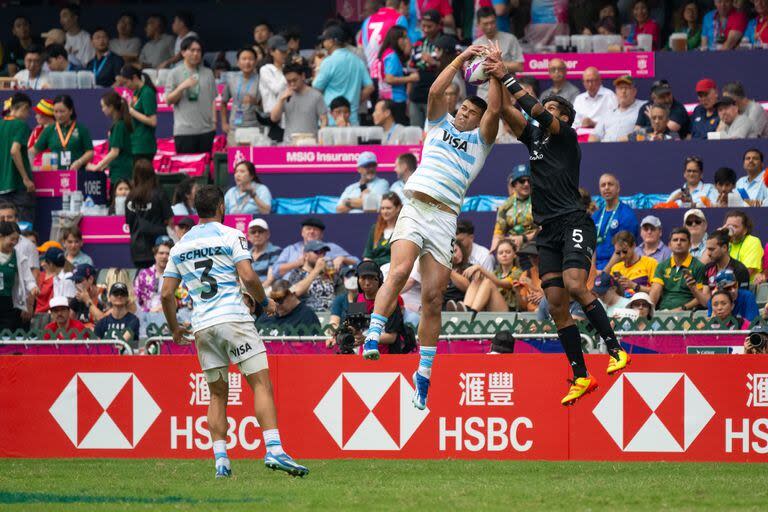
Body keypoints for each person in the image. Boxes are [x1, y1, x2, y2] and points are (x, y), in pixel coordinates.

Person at [362, 42, 501, 414]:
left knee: (432, 300)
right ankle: (373, 333)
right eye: (464, 107)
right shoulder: (438, 125)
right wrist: (462, 57)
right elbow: (437, 90)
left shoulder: (480, 144)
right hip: (415, 207)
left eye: (472, 111)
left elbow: (496, 111)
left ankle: (423, 374)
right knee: (401, 270)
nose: (465, 112)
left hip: (443, 219)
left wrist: (496, 74)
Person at [491, 57, 632, 405]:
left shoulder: (566, 136)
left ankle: (616, 350)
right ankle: (582, 376)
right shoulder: (533, 140)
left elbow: (536, 111)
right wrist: (493, 77)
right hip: (548, 231)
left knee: (573, 285)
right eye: (547, 105)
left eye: (553, 107)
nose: (546, 110)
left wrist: (507, 74)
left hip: (573, 220)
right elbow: (505, 112)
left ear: (564, 117)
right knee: (556, 305)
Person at [160, 185, 307, 476]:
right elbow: (248, 275)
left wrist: (175, 328)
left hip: (202, 326)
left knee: (216, 395)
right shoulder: (230, 235)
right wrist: (264, 302)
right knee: (261, 384)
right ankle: (274, 450)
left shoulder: (180, 245)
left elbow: (166, 294)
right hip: (234, 319)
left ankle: (221, 461)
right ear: (221, 208)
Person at [165, 37, 217, 154]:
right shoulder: (174, 73)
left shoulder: (208, 73)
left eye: (199, 51)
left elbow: (212, 99)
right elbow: (168, 101)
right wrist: (182, 86)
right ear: (183, 52)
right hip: (184, 132)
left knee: (206, 169)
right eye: (192, 50)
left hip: (206, 131)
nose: (196, 54)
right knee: (186, 170)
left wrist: (214, 123)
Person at [314, 26, 375, 126]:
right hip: (352, 118)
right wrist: (354, 101)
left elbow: (316, 88)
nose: (323, 43)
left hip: (331, 119)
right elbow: (370, 87)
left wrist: (317, 67)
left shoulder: (328, 62)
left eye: (324, 40)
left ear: (332, 41)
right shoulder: (358, 61)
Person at [125, 159, 173, 268]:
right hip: (158, 249)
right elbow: (170, 220)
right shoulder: (159, 193)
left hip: (137, 249)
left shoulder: (130, 197)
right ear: (152, 174)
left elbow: (129, 222)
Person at [649, 227, 708, 311]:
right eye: (675, 240)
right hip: (664, 312)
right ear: (669, 245)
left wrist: (682, 308)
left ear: (690, 244)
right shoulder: (662, 266)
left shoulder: (699, 266)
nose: (679, 243)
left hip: (688, 313)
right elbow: (655, 291)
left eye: (683, 240)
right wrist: (650, 311)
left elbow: (702, 297)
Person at [30, 94, 94, 171]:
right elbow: (34, 151)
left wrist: (79, 162)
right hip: (55, 176)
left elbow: (90, 152)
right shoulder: (49, 130)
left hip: (77, 174)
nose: (59, 115)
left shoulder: (81, 129)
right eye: (56, 111)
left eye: (62, 111)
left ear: (71, 111)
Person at [472, 7, 524, 100]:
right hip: (484, 93)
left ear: (496, 21)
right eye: (485, 24)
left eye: (492, 22)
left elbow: (520, 66)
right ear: (479, 24)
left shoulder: (510, 39)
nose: (489, 26)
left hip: (508, 91)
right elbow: (470, 73)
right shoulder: (476, 44)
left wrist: (496, 64)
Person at [271, 62, 327, 144]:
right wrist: (281, 100)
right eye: (289, 81)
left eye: (295, 80)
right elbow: (274, 118)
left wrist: (321, 140)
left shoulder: (316, 95)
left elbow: (324, 119)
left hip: (310, 143)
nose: (292, 84)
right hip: (289, 143)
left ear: (303, 76)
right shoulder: (284, 95)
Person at [0, 94, 36, 222]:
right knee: (24, 227)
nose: (28, 116)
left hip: (2, 187)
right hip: (18, 186)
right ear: (25, 108)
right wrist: (25, 178)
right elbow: (14, 151)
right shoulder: (21, 125)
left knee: (4, 229)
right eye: (28, 112)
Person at [592, 173, 639, 271]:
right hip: (595, 268)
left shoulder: (626, 215)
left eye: (610, 184)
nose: (606, 188)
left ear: (618, 188)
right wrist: (593, 270)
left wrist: (605, 272)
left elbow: (623, 249)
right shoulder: (596, 216)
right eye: (603, 185)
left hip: (617, 267)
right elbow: (591, 245)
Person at [462, 238, 523, 312]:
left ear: (514, 255)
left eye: (508, 252)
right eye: (501, 253)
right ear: (497, 256)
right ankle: (466, 309)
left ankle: (472, 313)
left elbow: (501, 283)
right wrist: (480, 275)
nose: (504, 255)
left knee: (488, 282)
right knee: (477, 280)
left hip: (509, 312)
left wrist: (480, 268)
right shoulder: (496, 273)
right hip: (492, 307)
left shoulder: (518, 272)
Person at [409, 9, 443, 128]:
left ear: (439, 25)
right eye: (423, 26)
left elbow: (456, 68)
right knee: (416, 133)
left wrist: (434, 62)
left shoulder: (447, 42)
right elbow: (412, 71)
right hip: (416, 97)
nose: (426, 29)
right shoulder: (418, 43)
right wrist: (409, 97)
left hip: (436, 97)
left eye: (430, 26)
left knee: (434, 132)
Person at [377, 26, 418, 125]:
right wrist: (411, 78)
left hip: (387, 96)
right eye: (404, 38)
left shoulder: (387, 53)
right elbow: (389, 79)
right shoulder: (392, 56)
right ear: (396, 39)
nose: (406, 41)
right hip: (395, 99)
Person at [89, 91, 133, 182]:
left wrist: (97, 166)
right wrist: (103, 166)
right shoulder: (119, 125)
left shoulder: (119, 126)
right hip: (120, 171)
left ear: (111, 107)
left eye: (103, 106)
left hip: (121, 174)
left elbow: (114, 152)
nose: (102, 109)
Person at [492, 165, 536, 252]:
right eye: (522, 181)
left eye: (529, 181)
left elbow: (543, 228)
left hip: (535, 246)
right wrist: (495, 246)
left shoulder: (539, 202)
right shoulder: (505, 206)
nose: (526, 184)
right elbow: (499, 232)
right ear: (514, 184)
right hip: (513, 248)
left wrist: (524, 238)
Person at [0, 221, 35, 331]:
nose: (14, 243)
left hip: (8, 304)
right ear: (1, 236)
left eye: (17, 239)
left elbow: (29, 280)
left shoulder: (19, 257)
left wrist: (34, 288)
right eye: (12, 239)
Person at [588, 75, 643, 143]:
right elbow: (595, 135)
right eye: (620, 88)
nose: (623, 91)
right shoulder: (608, 113)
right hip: (605, 149)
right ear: (616, 92)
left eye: (627, 88)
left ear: (634, 91)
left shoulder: (643, 107)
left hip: (629, 149)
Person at [120, 66, 158, 164]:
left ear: (135, 78)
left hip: (144, 146)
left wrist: (132, 111)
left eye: (126, 82)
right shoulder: (137, 92)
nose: (125, 86)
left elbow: (153, 121)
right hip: (135, 144)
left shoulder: (147, 92)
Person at [286, 240, 336, 312]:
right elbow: (295, 292)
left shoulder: (329, 274)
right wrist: (316, 270)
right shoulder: (297, 273)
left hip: (333, 315)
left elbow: (344, 296)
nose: (322, 256)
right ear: (306, 255)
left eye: (324, 253)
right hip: (310, 315)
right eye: (317, 252)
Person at [256, 279, 321, 335]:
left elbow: (310, 347)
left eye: (280, 300)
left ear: (292, 295)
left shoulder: (306, 316)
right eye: (273, 300)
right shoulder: (267, 315)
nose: (276, 304)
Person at [609, 231, 658, 296]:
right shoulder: (615, 268)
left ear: (634, 246)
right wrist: (615, 286)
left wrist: (633, 285)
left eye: (625, 251)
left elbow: (657, 292)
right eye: (618, 253)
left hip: (641, 304)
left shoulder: (650, 263)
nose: (622, 256)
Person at [0, 202, 39, 280]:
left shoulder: (29, 245)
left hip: (19, 291)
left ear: (17, 220)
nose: (6, 220)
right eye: (2, 218)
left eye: (9, 217)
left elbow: (35, 272)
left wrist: (31, 289)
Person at [134, 236, 173, 313]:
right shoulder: (143, 275)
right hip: (147, 317)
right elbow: (135, 301)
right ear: (155, 254)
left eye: (168, 253)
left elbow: (184, 301)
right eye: (161, 253)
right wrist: (149, 311)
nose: (164, 256)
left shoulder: (176, 276)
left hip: (170, 317)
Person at [722, 210, 763, 282]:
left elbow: (745, 274)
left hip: (744, 288)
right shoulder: (723, 243)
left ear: (745, 230)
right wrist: (719, 236)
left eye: (735, 226)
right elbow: (704, 265)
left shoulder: (753, 241)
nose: (730, 229)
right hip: (722, 288)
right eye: (728, 226)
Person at [364, 192, 402, 267]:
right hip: (375, 272)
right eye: (382, 208)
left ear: (398, 208)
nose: (385, 211)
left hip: (394, 268)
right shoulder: (375, 228)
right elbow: (368, 257)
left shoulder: (403, 229)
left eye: (388, 208)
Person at [259, 36, 289, 132]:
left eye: (286, 51)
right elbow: (277, 89)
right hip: (272, 120)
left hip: (288, 119)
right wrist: (289, 71)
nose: (285, 54)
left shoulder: (287, 68)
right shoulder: (265, 69)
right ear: (271, 52)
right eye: (281, 52)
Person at [35, 246, 76, 314]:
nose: (43, 264)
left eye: (45, 262)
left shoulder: (68, 278)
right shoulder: (56, 278)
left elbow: (70, 307)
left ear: (50, 264)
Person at [247, 218, 280, 288]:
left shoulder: (276, 251)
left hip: (267, 291)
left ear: (268, 234)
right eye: (253, 232)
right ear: (248, 237)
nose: (257, 234)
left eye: (260, 231)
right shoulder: (245, 255)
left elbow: (270, 280)